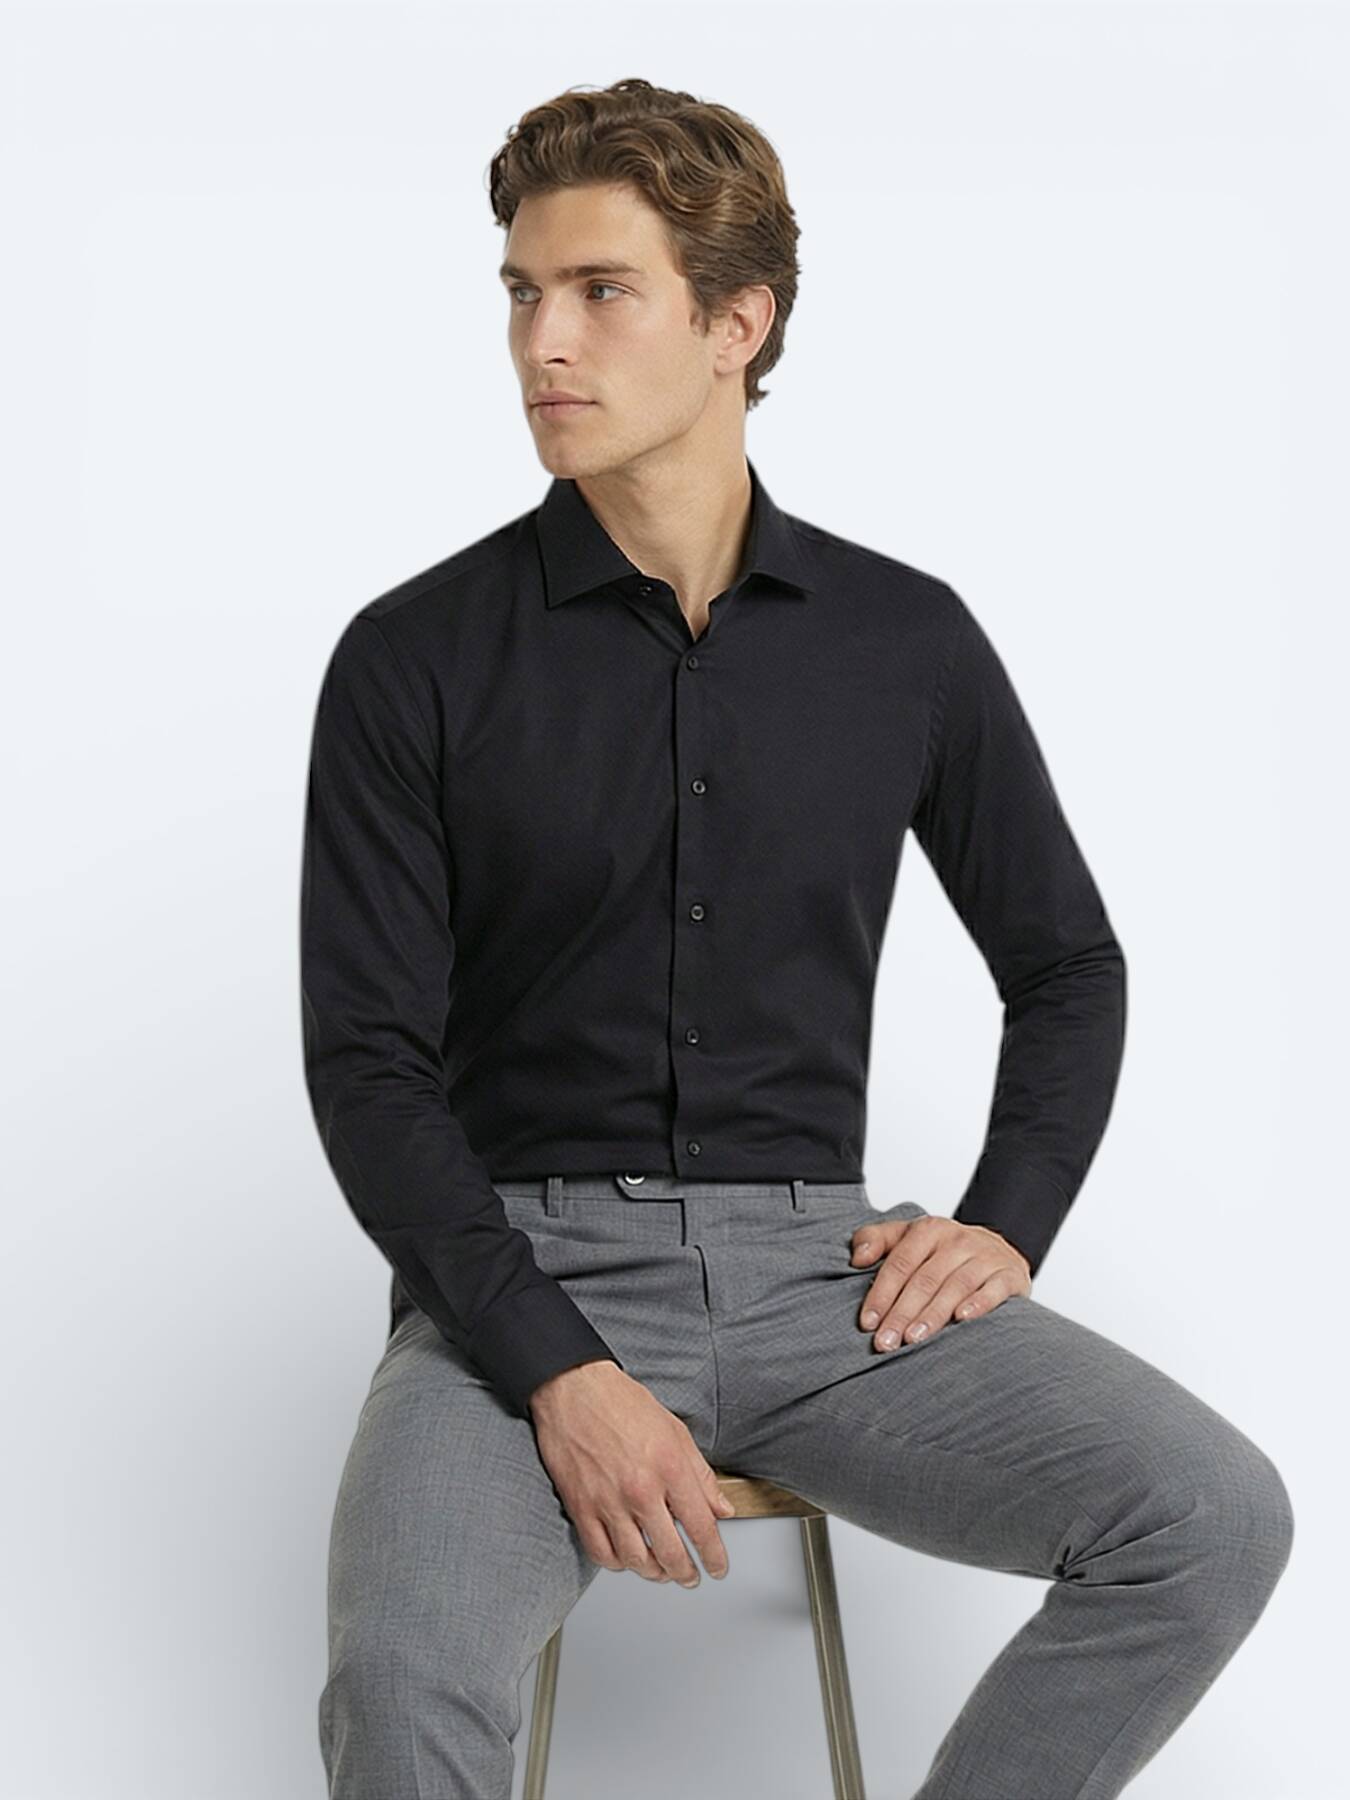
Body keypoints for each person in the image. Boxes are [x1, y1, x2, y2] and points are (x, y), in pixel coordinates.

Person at [301, 76, 1293, 1800]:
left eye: (599, 291)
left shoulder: (903, 641)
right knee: (400, 1680)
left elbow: (1067, 965)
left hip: (824, 1287)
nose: (543, 340)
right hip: (516, 1282)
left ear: (733, 325)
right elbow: (368, 1066)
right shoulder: (415, 656)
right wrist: (558, 1370)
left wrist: (1003, 1221)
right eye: (521, 292)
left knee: (1208, 1518)